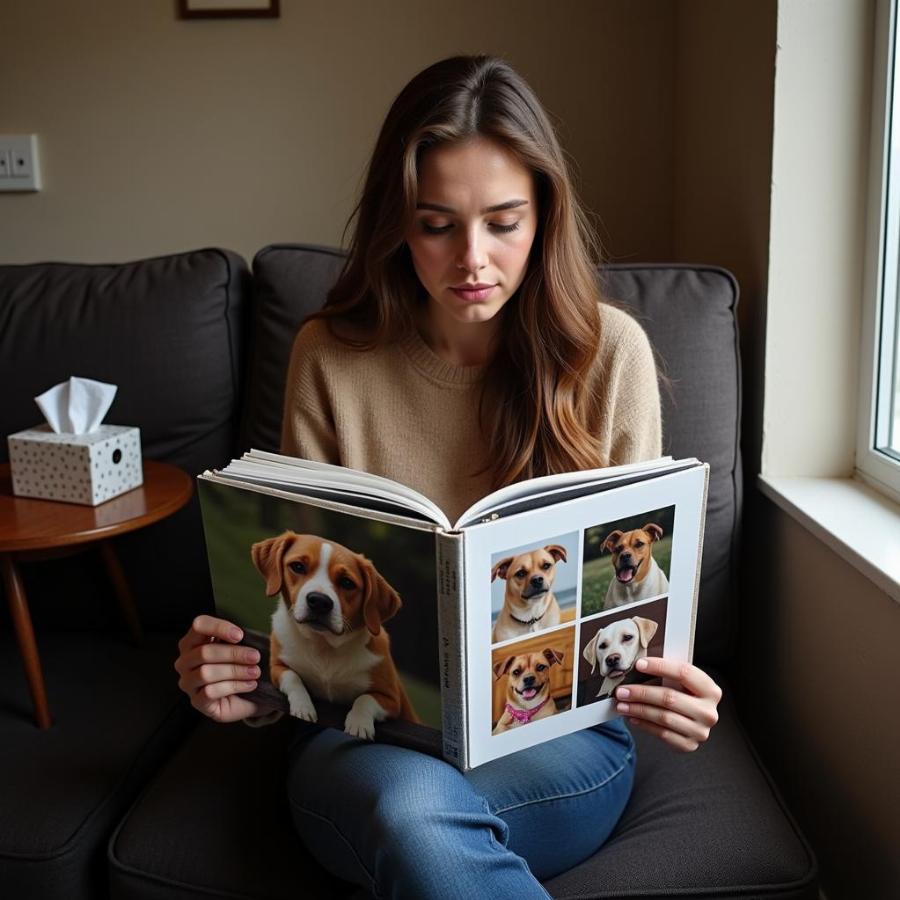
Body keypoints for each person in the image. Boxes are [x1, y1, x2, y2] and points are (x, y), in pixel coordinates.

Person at [174, 55, 722, 899]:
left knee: (417, 822)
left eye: (504, 222)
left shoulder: (610, 355)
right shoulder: (331, 357)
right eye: (437, 224)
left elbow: (633, 606)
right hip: (363, 743)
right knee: (408, 809)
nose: (473, 258)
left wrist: (671, 692)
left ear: (545, 217)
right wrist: (238, 684)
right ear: (399, 223)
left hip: (562, 742)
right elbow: (290, 643)